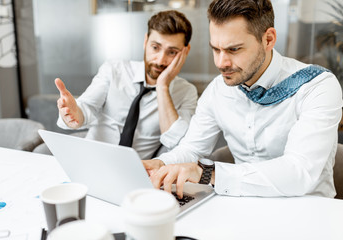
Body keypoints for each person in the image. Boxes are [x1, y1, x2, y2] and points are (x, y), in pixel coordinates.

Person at [144, 0, 343, 199]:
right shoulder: (217, 90)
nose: (221, 63)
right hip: (242, 206)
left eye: (234, 49)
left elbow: (299, 172)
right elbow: (191, 148)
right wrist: (160, 164)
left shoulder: (317, 85)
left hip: (308, 213)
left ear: (268, 39)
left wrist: (207, 173)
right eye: (216, 49)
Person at [55, 10, 198, 159]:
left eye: (172, 52)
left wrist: (162, 86)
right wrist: (73, 114)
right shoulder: (114, 70)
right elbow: (86, 108)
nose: (160, 60)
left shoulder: (187, 92)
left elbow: (177, 143)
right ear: (145, 41)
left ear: (185, 51)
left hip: (139, 174)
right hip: (91, 161)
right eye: (155, 47)